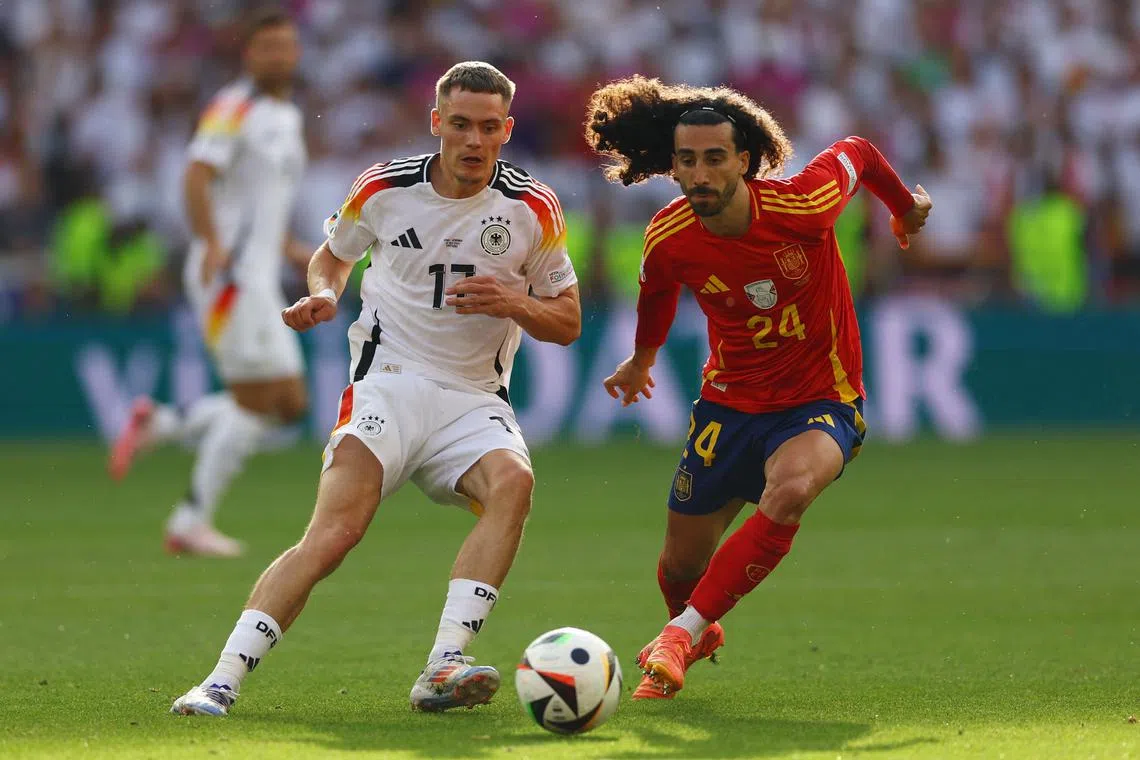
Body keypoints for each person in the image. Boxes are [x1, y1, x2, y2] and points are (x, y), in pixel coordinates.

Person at [170, 61, 581, 716]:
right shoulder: (384, 188)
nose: (473, 141)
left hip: (475, 398)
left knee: (514, 485)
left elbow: (568, 319)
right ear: (435, 123)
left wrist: (513, 300)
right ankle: (218, 681)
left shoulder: (534, 207)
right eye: (459, 125)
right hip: (388, 381)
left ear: (506, 129)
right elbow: (333, 253)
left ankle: (443, 665)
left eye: (487, 128)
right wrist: (324, 295)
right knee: (334, 534)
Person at [585, 76, 931, 699]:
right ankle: (695, 623)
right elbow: (657, 292)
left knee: (792, 487)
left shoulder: (802, 204)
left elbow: (858, 150)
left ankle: (680, 636)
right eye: (686, 160)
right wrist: (641, 359)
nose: (700, 174)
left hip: (820, 400)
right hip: (728, 405)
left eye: (715, 159)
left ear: (744, 161)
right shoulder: (670, 236)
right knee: (679, 568)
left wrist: (902, 206)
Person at [108, 8, 313, 557]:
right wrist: (212, 241)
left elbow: (263, 202)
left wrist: (290, 248)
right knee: (257, 402)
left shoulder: (285, 116)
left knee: (289, 403)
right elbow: (197, 172)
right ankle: (190, 520)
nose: (280, 57)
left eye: (287, 47)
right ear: (250, 55)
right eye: (268, 48)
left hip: (259, 272)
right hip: (229, 275)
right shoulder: (234, 106)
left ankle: (164, 423)